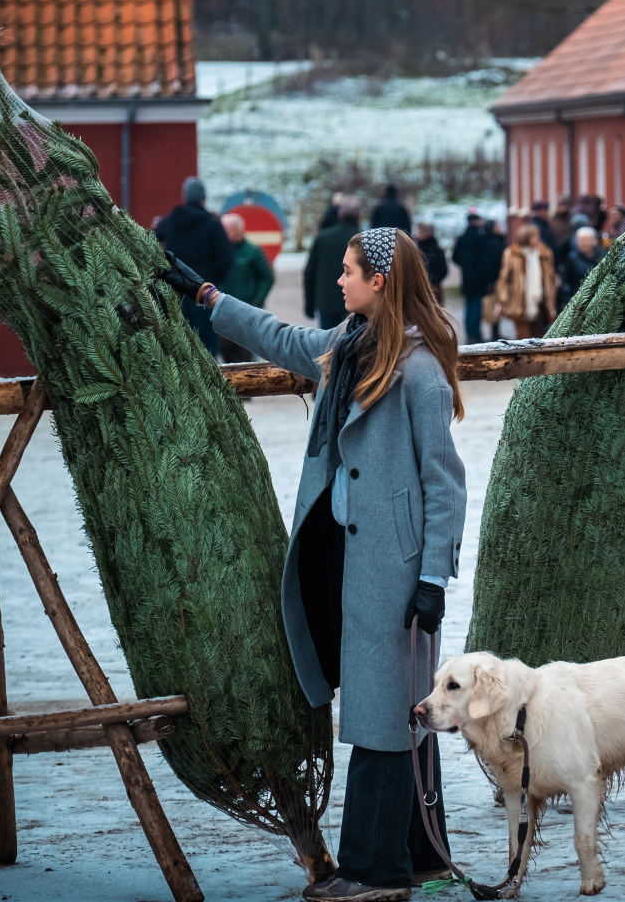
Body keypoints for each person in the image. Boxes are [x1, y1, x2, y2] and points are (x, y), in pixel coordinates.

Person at [158, 228, 466, 902]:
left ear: (379, 282)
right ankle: (422, 854)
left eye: (349, 271)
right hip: (341, 556)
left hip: (393, 568)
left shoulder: (418, 371)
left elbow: (445, 482)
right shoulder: (347, 344)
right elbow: (282, 338)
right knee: (397, 706)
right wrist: (207, 296)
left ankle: (374, 872)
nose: (339, 280)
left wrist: (432, 579)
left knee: (382, 714)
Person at [154, 177, 232, 357]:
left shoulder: (170, 221)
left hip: (175, 292)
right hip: (204, 294)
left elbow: (150, 240)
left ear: (185, 197)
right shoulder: (213, 224)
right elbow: (226, 260)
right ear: (204, 199)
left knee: (177, 347)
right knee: (206, 350)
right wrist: (214, 280)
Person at [218, 213, 276, 363]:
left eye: (225, 230)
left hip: (247, 311)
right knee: (226, 354)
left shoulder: (253, 251)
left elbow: (267, 278)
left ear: (237, 230)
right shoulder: (220, 251)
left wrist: (257, 301)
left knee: (247, 356)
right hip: (223, 310)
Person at [493, 221, 558, 338]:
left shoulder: (545, 253)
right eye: (534, 235)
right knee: (523, 338)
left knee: (538, 338)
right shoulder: (512, 253)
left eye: (538, 235)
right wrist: (502, 300)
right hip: (520, 302)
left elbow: (551, 277)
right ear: (526, 237)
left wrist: (552, 292)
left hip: (541, 302)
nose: (538, 238)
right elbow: (504, 279)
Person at [306, 196, 362, 329]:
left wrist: (309, 303)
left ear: (340, 214)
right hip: (355, 303)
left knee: (327, 340)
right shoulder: (363, 240)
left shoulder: (323, 237)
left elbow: (310, 273)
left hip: (326, 302)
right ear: (358, 216)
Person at [450, 210, 504, 343]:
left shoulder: (462, 238)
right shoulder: (481, 238)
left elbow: (455, 257)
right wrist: (489, 279)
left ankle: (470, 332)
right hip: (479, 278)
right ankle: (475, 334)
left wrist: (465, 265)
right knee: (476, 306)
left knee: (469, 305)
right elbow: (485, 261)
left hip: (467, 277)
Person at [558, 226, 603, 310]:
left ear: (594, 241)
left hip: (600, 299)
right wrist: (566, 300)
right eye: (579, 240)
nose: (581, 244)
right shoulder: (572, 258)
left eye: (585, 240)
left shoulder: (602, 256)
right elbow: (566, 281)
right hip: (578, 301)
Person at [413, 222, 448, 303]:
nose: (415, 234)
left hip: (434, 291)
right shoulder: (415, 250)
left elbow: (443, 270)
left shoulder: (437, 251)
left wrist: (430, 280)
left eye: (418, 231)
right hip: (417, 292)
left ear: (426, 232)